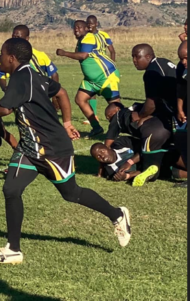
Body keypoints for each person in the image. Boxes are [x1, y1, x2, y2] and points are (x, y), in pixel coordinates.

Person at [0, 38, 131, 265]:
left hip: (52, 149)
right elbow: (62, 92)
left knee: (71, 194)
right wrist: (67, 122)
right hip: (29, 148)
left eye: (1, 54)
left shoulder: (20, 78)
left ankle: (117, 214)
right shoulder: (34, 75)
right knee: (11, 189)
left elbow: (4, 109)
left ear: (11, 58)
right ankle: (13, 249)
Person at [57, 20, 122, 138]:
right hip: (91, 80)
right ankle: (96, 127)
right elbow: (79, 54)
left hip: (106, 76)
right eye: (75, 27)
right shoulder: (81, 40)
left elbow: (83, 55)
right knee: (80, 99)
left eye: (80, 27)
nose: (76, 29)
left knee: (116, 107)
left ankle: (128, 128)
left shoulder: (89, 37)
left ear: (86, 28)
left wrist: (64, 53)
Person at [130, 44, 178, 183]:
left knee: (150, 130)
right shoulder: (162, 61)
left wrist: (141, 117)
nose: (134, 60)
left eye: (137, 56)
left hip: (178, 112)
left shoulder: (151, 72)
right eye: (132, 56)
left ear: (148, 56)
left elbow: (151, 103)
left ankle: (149, 165)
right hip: (178, 107)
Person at [0, 25, 60, 96]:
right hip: (19, 95)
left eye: (18, 37)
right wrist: (5, 89)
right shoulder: (6, 58)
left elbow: (54, 74)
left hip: (39, 95)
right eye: (13, 36)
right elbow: (1, 76)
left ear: (27, 38)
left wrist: (54, 95)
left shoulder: (40, 55)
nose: (15, 39)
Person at [175, 41, 188, 188]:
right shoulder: (182, 68)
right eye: (181, 59)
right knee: (181, 137)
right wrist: (180, 108)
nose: (183, 62)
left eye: (186, 58)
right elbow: (181, 89)